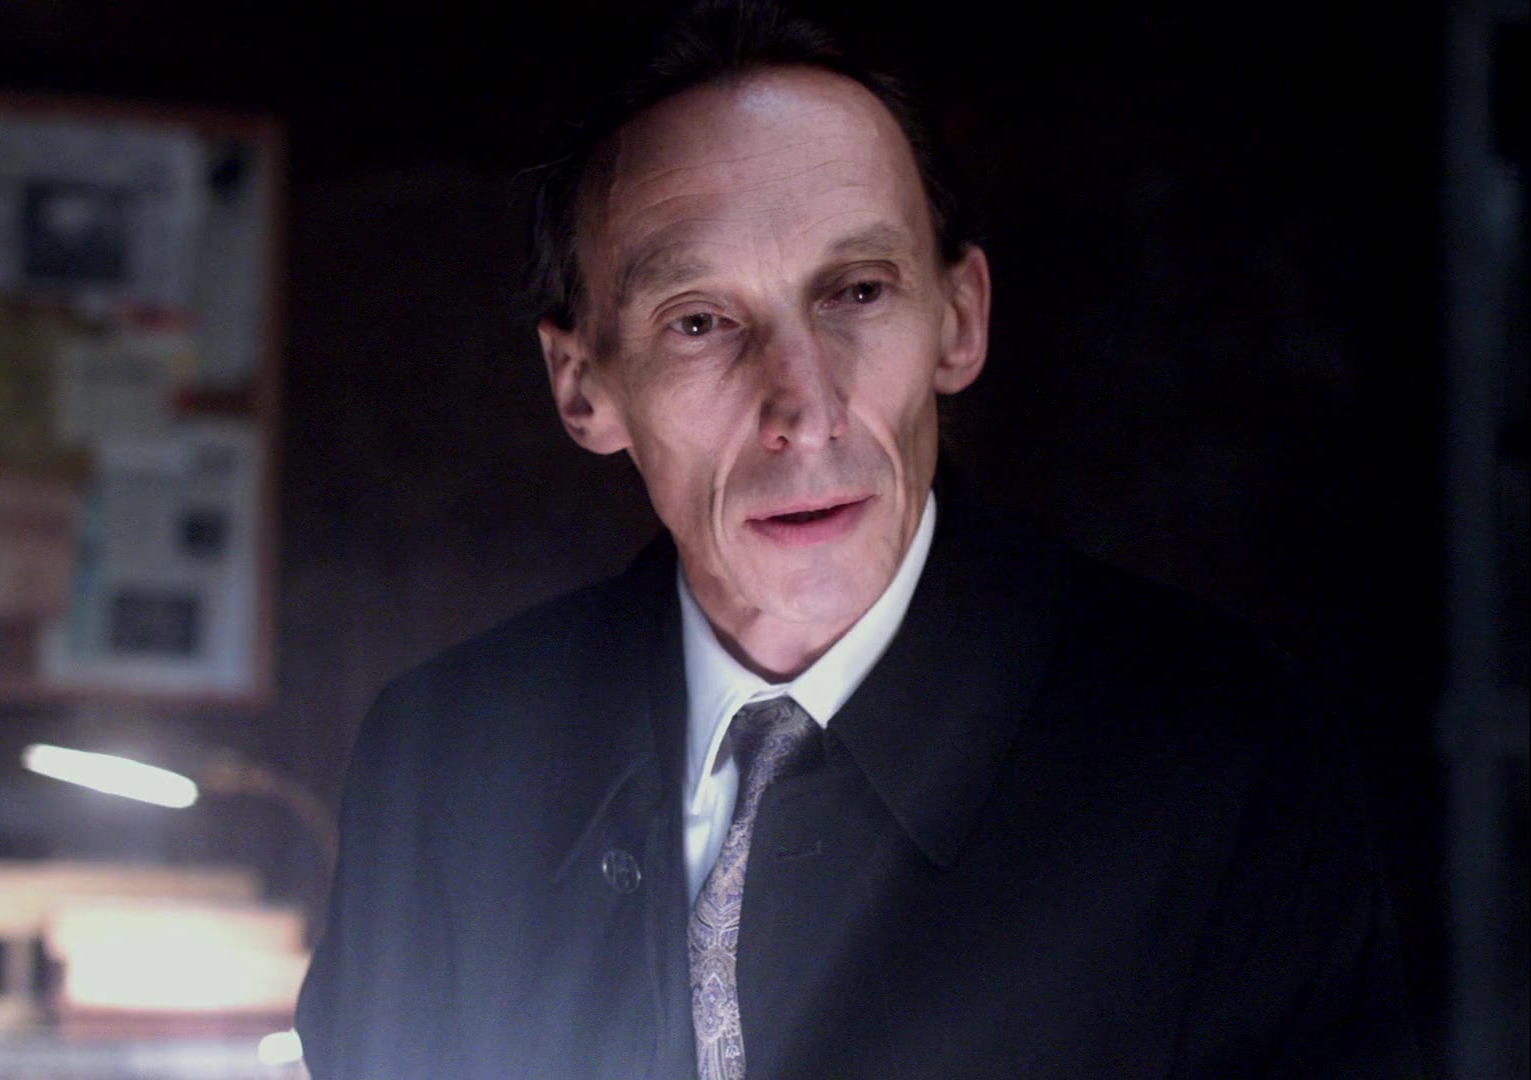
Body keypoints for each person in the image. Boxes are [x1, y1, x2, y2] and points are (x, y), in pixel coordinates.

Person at [296, 3, 1421, 1077]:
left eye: (857, 292)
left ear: (959, 319)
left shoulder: (1225, 763)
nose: (806, 408)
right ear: (583, 384)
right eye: (700, 321)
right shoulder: (439, 765)